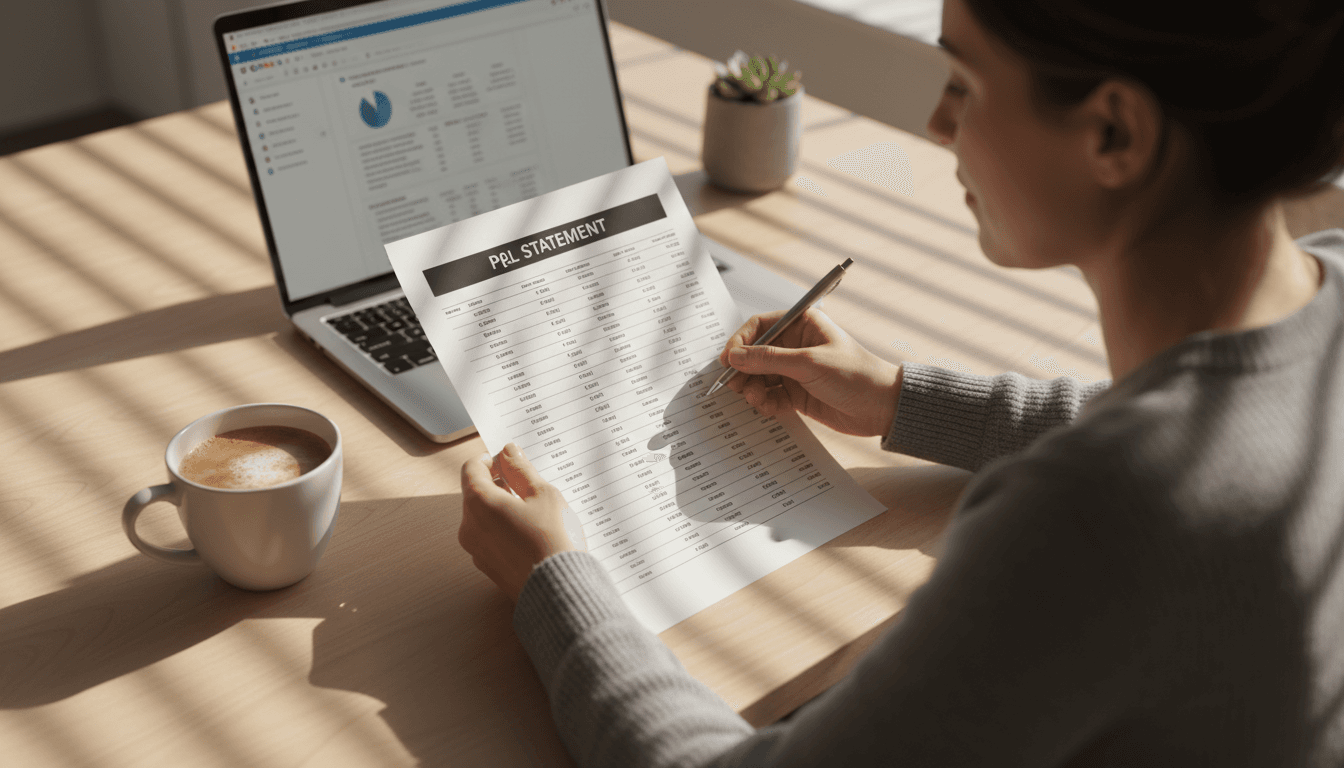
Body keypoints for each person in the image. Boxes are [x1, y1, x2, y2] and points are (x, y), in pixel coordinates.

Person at [458, 0, 1344, 763]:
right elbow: (1206, 428)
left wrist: (553, 581)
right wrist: (901, 398)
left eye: (964, 84)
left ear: (1114, 132)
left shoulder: (1106, 514)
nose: (936, 124)